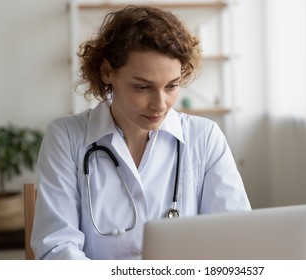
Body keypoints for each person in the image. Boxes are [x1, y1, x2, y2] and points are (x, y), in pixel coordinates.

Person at [31, 5, 251, 260]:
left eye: (172, 86)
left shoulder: (205, 138)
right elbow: (57, 248)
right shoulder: (66, 137)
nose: (160, 104)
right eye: (142, 87)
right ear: (106, 73)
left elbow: (233, 239)